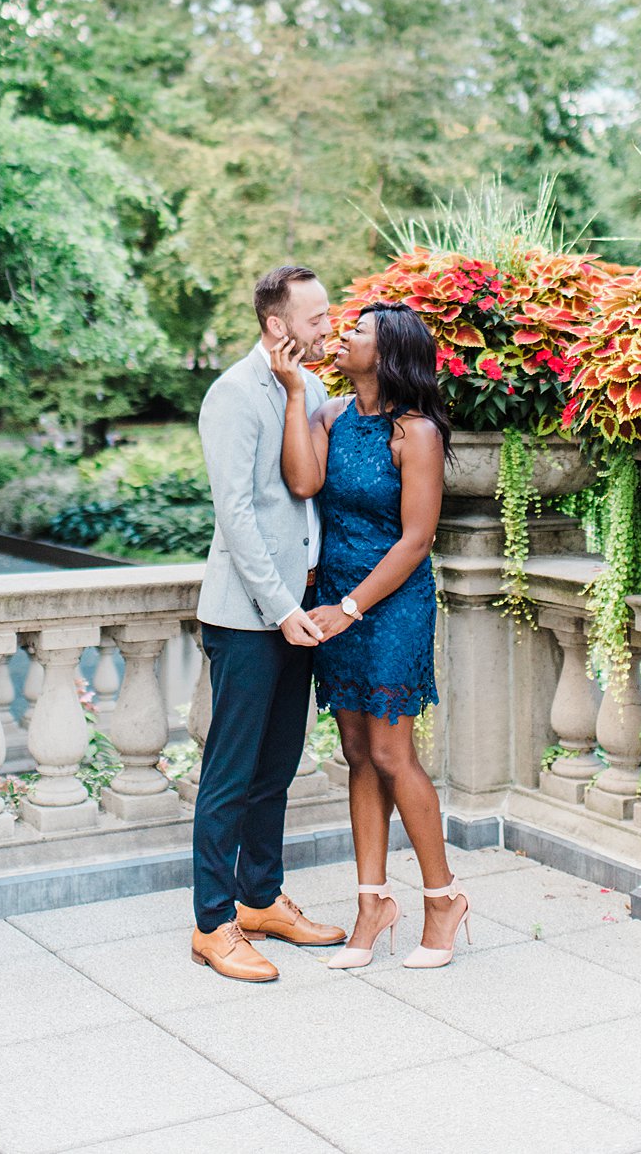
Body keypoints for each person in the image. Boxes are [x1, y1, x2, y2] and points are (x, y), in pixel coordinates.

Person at [272, 301, 471, 969]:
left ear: (385, 358)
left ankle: (443, 901)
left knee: (391, 753)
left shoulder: (415, 433)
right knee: (357, 751)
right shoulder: (330, 415)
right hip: (337, 600)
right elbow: (304, 481)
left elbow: (417, 540)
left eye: (357, 332)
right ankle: (372, 903)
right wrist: (299, 393)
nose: (342, 336)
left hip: (388, 605)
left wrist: (350, 608)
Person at [190, 264, 346, 981]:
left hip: (302, 613)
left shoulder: (308, 387)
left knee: (278, 767)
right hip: (250, 618)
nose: (328, 328)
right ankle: (213, 924)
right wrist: (282, 611)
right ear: (276, 324)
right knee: (231, 772)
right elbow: (238, 516)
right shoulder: (230, 394)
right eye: (315, 318)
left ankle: (260, 899)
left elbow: (305, 494)